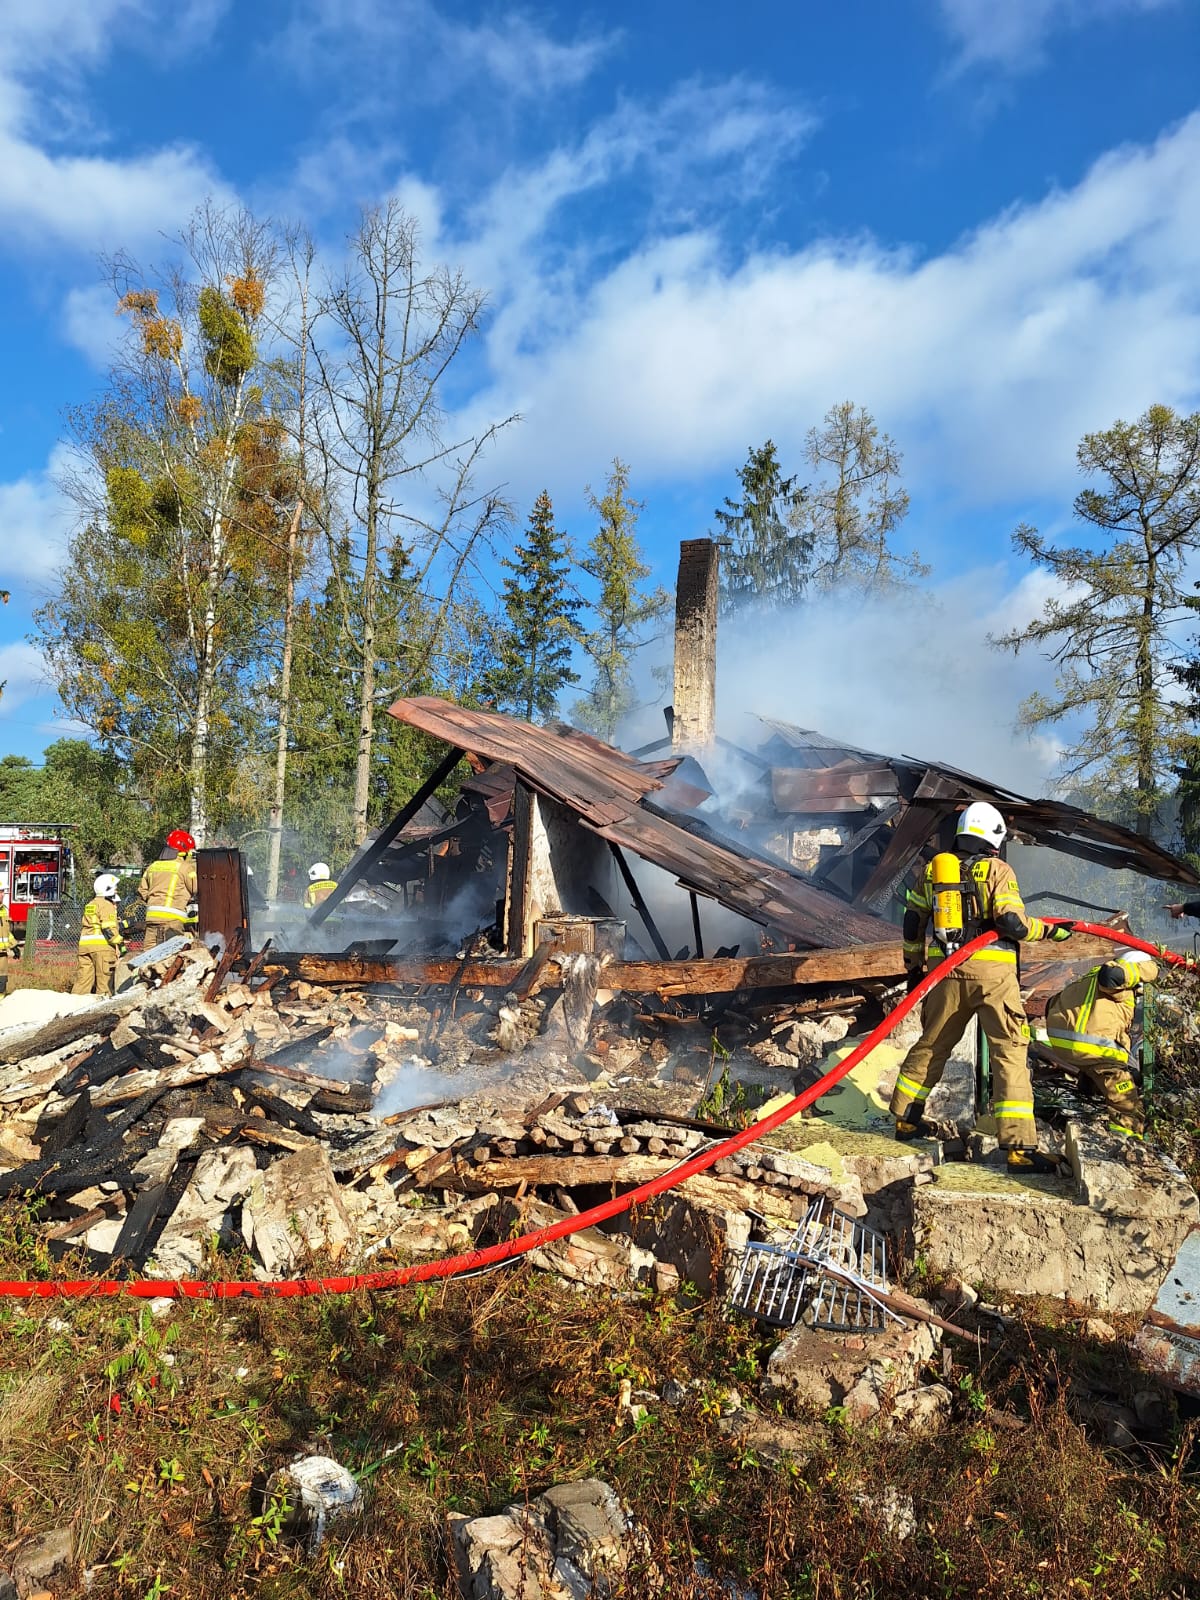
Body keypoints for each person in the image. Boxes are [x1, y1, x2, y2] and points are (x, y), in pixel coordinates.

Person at [888, 800, 1074, 1173]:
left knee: (932, 1043)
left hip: (946, 972)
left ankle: (906, 1119)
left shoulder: (933, 871)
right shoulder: (997, 870)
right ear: (993, 837)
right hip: (993, 976)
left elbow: (912, 921)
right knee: (1009, 1052)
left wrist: (914, 967)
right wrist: (1050, 931)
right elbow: (1012, 923)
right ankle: (1019, 1150)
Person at [1040, 949, 1157, 1139]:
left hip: (1064, 1044)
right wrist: (1151, 969)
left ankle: (1090, 1082)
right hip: (1094, 1048)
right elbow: (1110, 976)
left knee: (1102, 1069)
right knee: (1125, 1097)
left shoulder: (1089, 979)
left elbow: (1052, 1003)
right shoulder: (1115, 978)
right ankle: (1126, 1138)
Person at [135, 830, 198, 948]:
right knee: (170, 955)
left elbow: (142, 891)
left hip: (152, 918)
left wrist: (155, 900)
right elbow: (196, 888)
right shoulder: (185, 868)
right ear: (185, 852)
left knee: (148, 955)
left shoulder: (153, 866)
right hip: (173, 920)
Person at [73, 873, 125, 996]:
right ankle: (103, 1006)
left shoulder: (90, 904)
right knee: (105, 982)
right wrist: (121, 945)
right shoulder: (106, 904)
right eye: (115, 887)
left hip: (85, 947)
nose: (116, 890)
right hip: (102, 948)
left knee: (83, 981)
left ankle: (74, 1004)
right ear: (108, 888)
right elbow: (109, 929)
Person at [0, 888, 15, 996]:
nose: (2, 894)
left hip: (2, 953)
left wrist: (14, 945)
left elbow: (6, 932)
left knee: (2, 978)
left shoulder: (4, 910)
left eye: (2, 892)